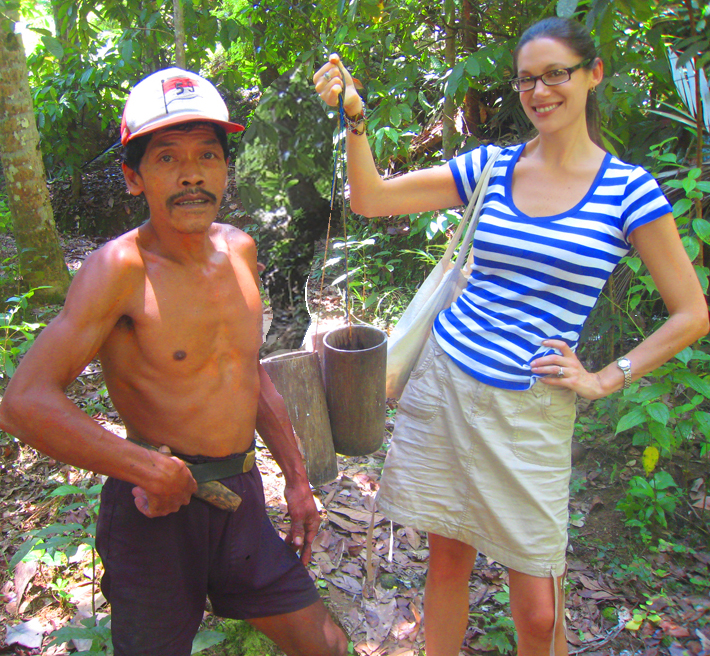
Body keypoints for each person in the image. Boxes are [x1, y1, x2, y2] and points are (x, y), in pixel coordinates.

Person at [314, 17, 708, 656]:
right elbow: (371, 198)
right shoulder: (494, 166)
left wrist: (607, 378)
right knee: (446, 561)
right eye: (528, 79)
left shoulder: (628, 190)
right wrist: (355, 119)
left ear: (593, 75)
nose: (540, 90)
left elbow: (692, 312)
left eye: (557, 73)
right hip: (446, 384)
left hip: (530, 411)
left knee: (535, 604)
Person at [0, 67, 347, 656]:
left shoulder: (240, 249)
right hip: (153, 509)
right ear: (134, 177)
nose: (192, 174)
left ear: (226, 168)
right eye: (167, 159)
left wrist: (294, 474)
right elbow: (23, 402)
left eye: (208, 155)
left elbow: (245, 368)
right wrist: (142, 466)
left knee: (327, 644)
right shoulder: (119, 270)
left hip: (239, 496)